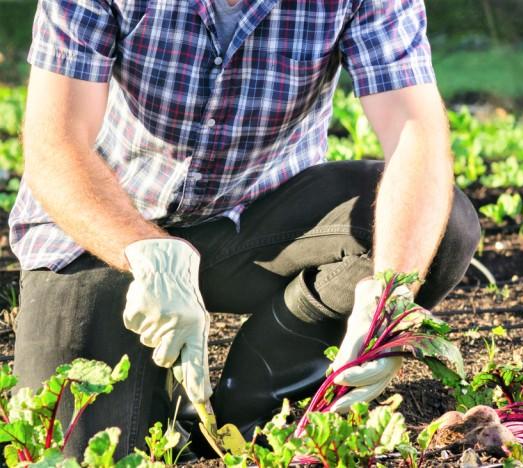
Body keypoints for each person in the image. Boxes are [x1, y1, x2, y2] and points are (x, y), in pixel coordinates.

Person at [11, 0, 479, 458]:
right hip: (106, 232)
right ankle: (157, 398)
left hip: (256, 220)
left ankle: (247, 405)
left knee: (438, 232)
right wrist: (144, 248)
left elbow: (414, 132)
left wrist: (390, 291)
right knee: (79, 449)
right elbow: (56, 144)